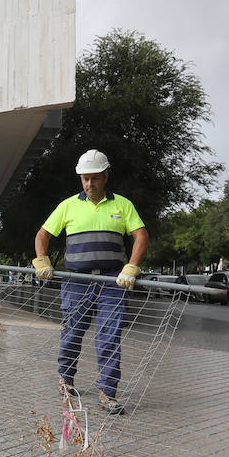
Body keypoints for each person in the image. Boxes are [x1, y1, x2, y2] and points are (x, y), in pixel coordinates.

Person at [32, 149, 149, 415]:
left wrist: (132, 266)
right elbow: (42, 235)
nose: (89, 184)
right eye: (85, 179)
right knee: (72, 332)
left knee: (109, 336)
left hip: (112, 282)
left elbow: (141, 236)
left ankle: (107, 392)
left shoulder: (123, 205)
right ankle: (66, 379)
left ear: (106, 176)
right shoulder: (68, 206)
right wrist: (42, 260)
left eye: (94, 178)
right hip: (76, 281)